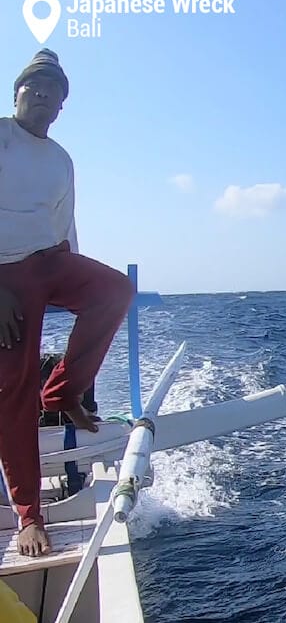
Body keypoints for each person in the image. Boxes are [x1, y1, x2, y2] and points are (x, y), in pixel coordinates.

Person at [0, 49, 134, 557]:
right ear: (16, 93)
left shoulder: (61, 160)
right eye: (32, 88)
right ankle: (29, 516)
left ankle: (61, 394)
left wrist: (73, 284)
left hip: (48, 260)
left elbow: (65, 228)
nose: (40, 97)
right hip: (3, 277)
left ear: (61, 107)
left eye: (51, 92)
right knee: (13, 389)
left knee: (114, 290)